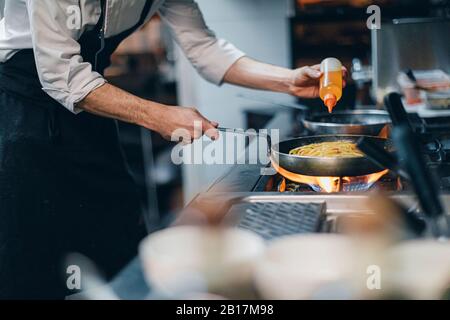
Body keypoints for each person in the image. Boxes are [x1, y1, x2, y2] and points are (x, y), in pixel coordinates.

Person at [0, 0, 345, 299]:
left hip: (88, 110)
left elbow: (204, 48)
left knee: (118, 241)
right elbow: (61, 75)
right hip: (22, 114)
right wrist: (158, 115)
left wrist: (288, 80)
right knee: (32, 258)